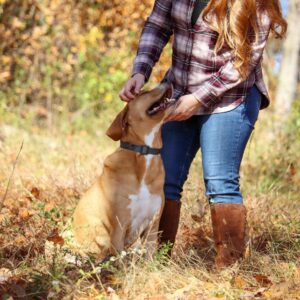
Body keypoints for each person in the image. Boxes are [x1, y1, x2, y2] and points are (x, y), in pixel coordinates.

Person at [119, 0, 287, 268]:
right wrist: (140, 71)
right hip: (179, 91)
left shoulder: (257, 4)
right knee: (166, 178)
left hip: (231, 97)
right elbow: (157, 25)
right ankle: (158, 264)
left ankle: (228, 270)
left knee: (220, 182)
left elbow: (243, 63)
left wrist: (197, 100)